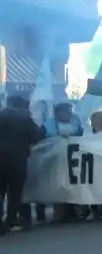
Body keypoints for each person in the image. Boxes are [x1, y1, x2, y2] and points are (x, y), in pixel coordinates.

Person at [0, 95, 42, 234]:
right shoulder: (24, 119)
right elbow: (35, 138)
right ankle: (10, 221)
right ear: (20, 105)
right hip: (18, 160)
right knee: (15, 192)